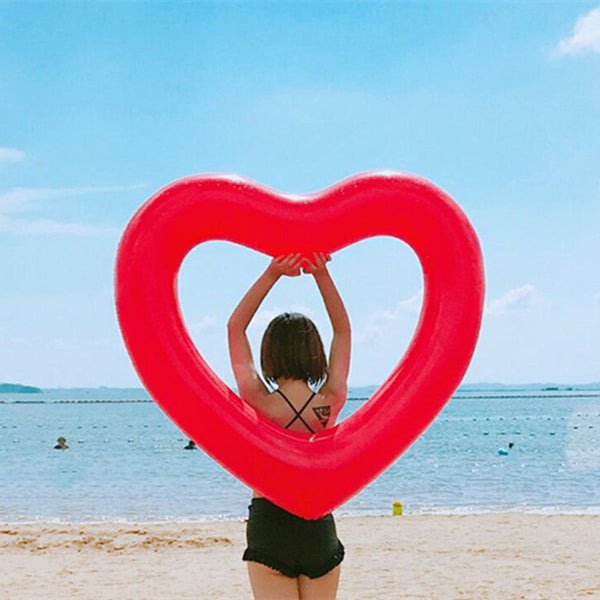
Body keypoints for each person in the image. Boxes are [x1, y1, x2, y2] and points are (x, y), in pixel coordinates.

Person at [228, 252, 351, 600]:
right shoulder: (330, 400)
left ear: (269, 354)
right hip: (317, 522)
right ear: (315, 352)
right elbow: (342, 330)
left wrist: (273, 272)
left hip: (271, 524)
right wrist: (321, 274)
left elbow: (235, 327)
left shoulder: (257, 401)